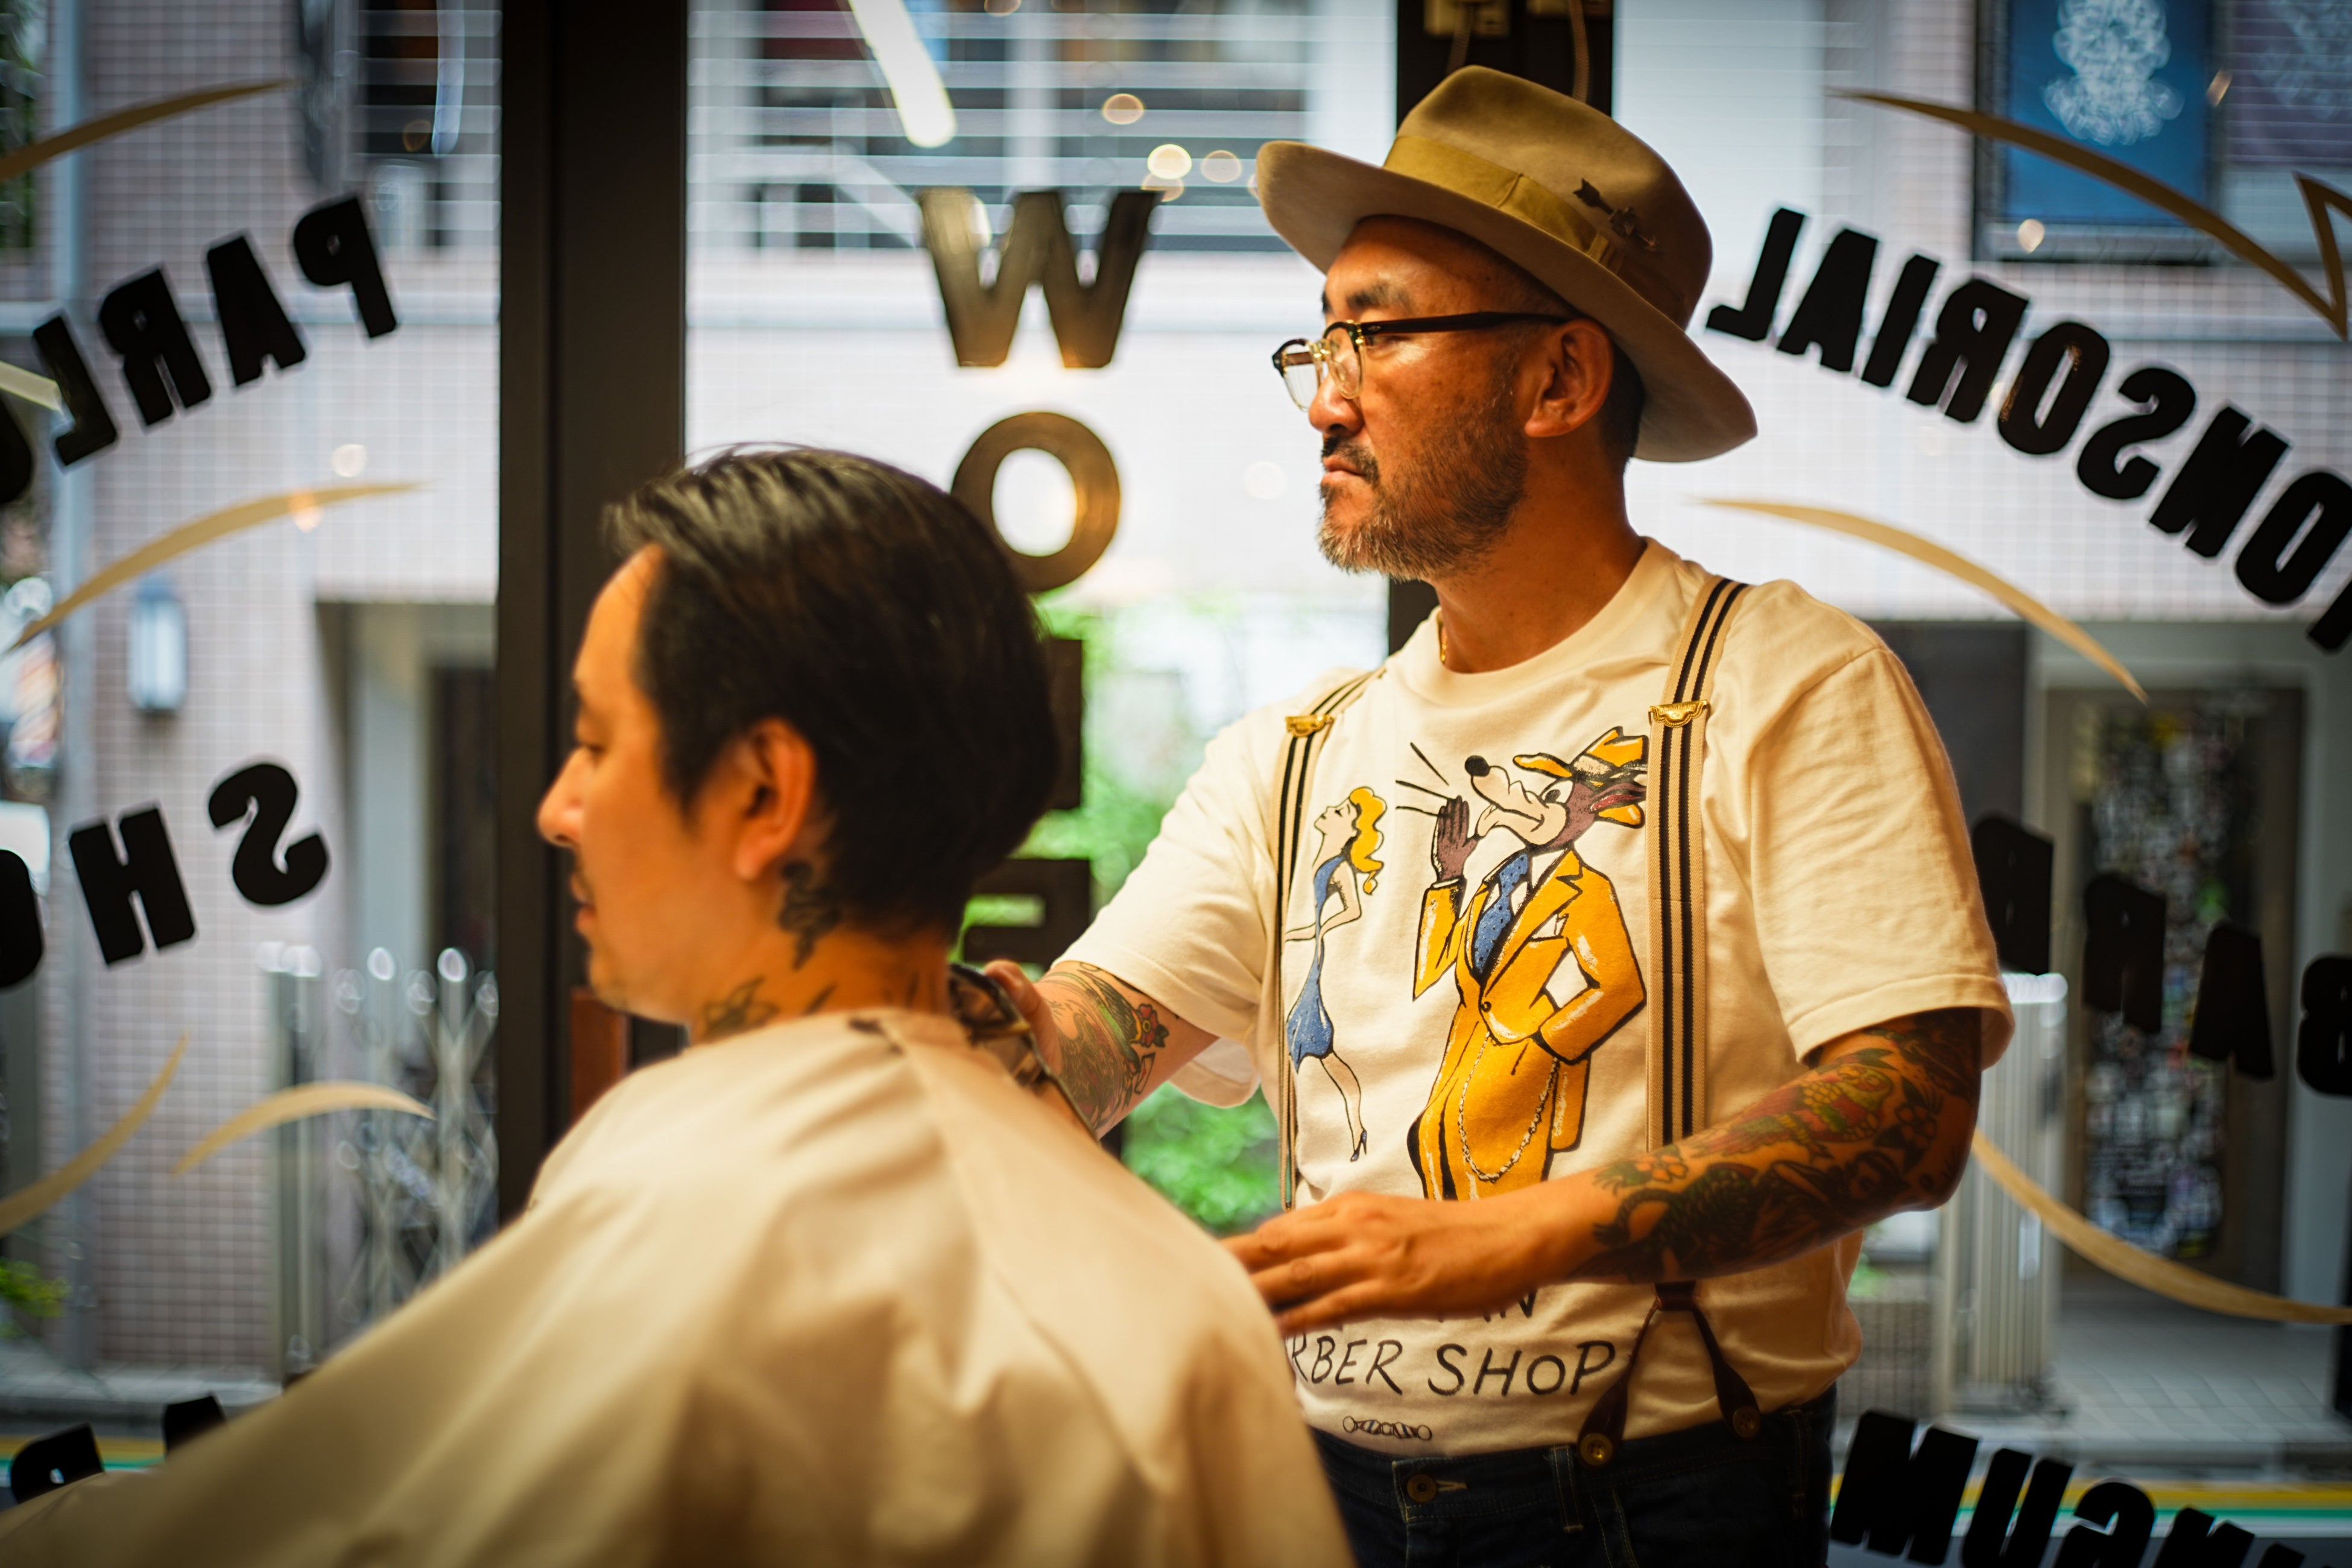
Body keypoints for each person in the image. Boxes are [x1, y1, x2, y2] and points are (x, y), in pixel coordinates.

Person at [985, 68, 2012, 1566]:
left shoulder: (1783, 681)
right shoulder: (1297, 750)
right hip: (1320, 1497)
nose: (1326, 394)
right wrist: (970, 1031)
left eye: (1380, 332)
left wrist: (1511, 1235)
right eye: (1320, 339)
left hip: (1649, 1514)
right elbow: (1095, 1034)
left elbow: (1909, 1110)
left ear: (1559, 382)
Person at [0, 449, 1351, 1567]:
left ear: (764, 793)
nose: (557, 809)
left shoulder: (678, 1202)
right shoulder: (1179, 1308)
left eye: (596, 742)